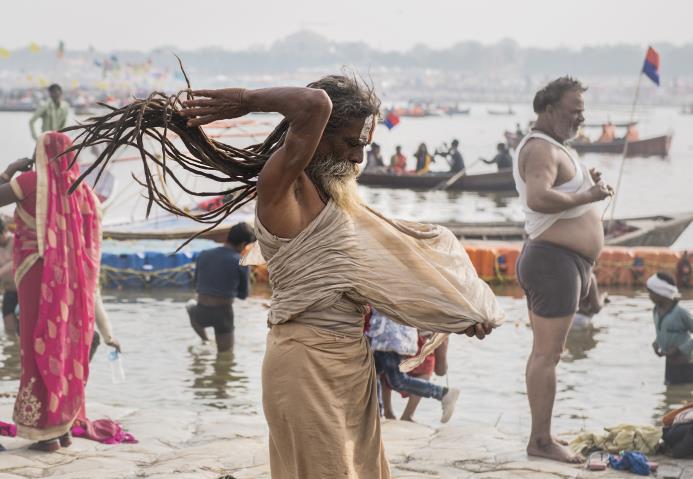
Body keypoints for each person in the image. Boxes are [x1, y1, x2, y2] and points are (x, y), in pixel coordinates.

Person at [65, 74, 505, 477]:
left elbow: (382, 279)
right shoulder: (283, 185)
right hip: (304, 362)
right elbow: (313, 102)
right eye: (349, 142)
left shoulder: (339, 203)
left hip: (352, 363)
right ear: (316, 135)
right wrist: (246, 100)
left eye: (364, 145)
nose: (358, 156)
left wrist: (456, 315)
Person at [513, 76, 614, 463]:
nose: (581, 118)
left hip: (564, 262)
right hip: (553, 261)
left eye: (583, 112)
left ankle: (542, 435)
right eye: (574, 111)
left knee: (546, 353)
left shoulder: (554, 147)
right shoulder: (540, 147)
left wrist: (589, 186)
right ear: (550, 109)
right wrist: (588, 194)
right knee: (547, 355)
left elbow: (561, 194)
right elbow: (539, 197)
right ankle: (540, 441)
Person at [0, 132, 102, 451]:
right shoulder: (83, 189)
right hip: (73, 280)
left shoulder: (30, 181)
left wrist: (8, 171)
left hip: (37, 272)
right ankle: (64, 426)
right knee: (67, 342)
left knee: (38, 341)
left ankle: (44, 431)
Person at [367, 308, 459, 423]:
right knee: (373, 374)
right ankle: (378, 413)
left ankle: (442, 393)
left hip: (392, 338)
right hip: (383, 337)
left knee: (398, 380)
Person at [186, 222, 254, 353]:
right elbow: (243, 295)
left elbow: (195, 284)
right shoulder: (241, 261)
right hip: (223, 314)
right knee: (225, 357)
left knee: (189, 306)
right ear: (243, 244)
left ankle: (205, 339)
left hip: (201, 312)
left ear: (228, 237)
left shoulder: (203, 254)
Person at [649, 273, 693, 385]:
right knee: (670, 393)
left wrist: (679, 349)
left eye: (651, 292)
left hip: (686, 364)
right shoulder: (656, 311)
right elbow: (662, 331)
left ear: (661, 293)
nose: (649, 296)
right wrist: (656, 342)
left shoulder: (680, 312)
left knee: (684, 394)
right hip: (670, 364)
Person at [0, 218, 18, 336]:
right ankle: (12, 349)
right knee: (7, 316)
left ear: (3, 232)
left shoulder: (15, 241)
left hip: (23, 290)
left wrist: (1, 270)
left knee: (23, 324)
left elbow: (16, 261)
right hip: (9, 291)